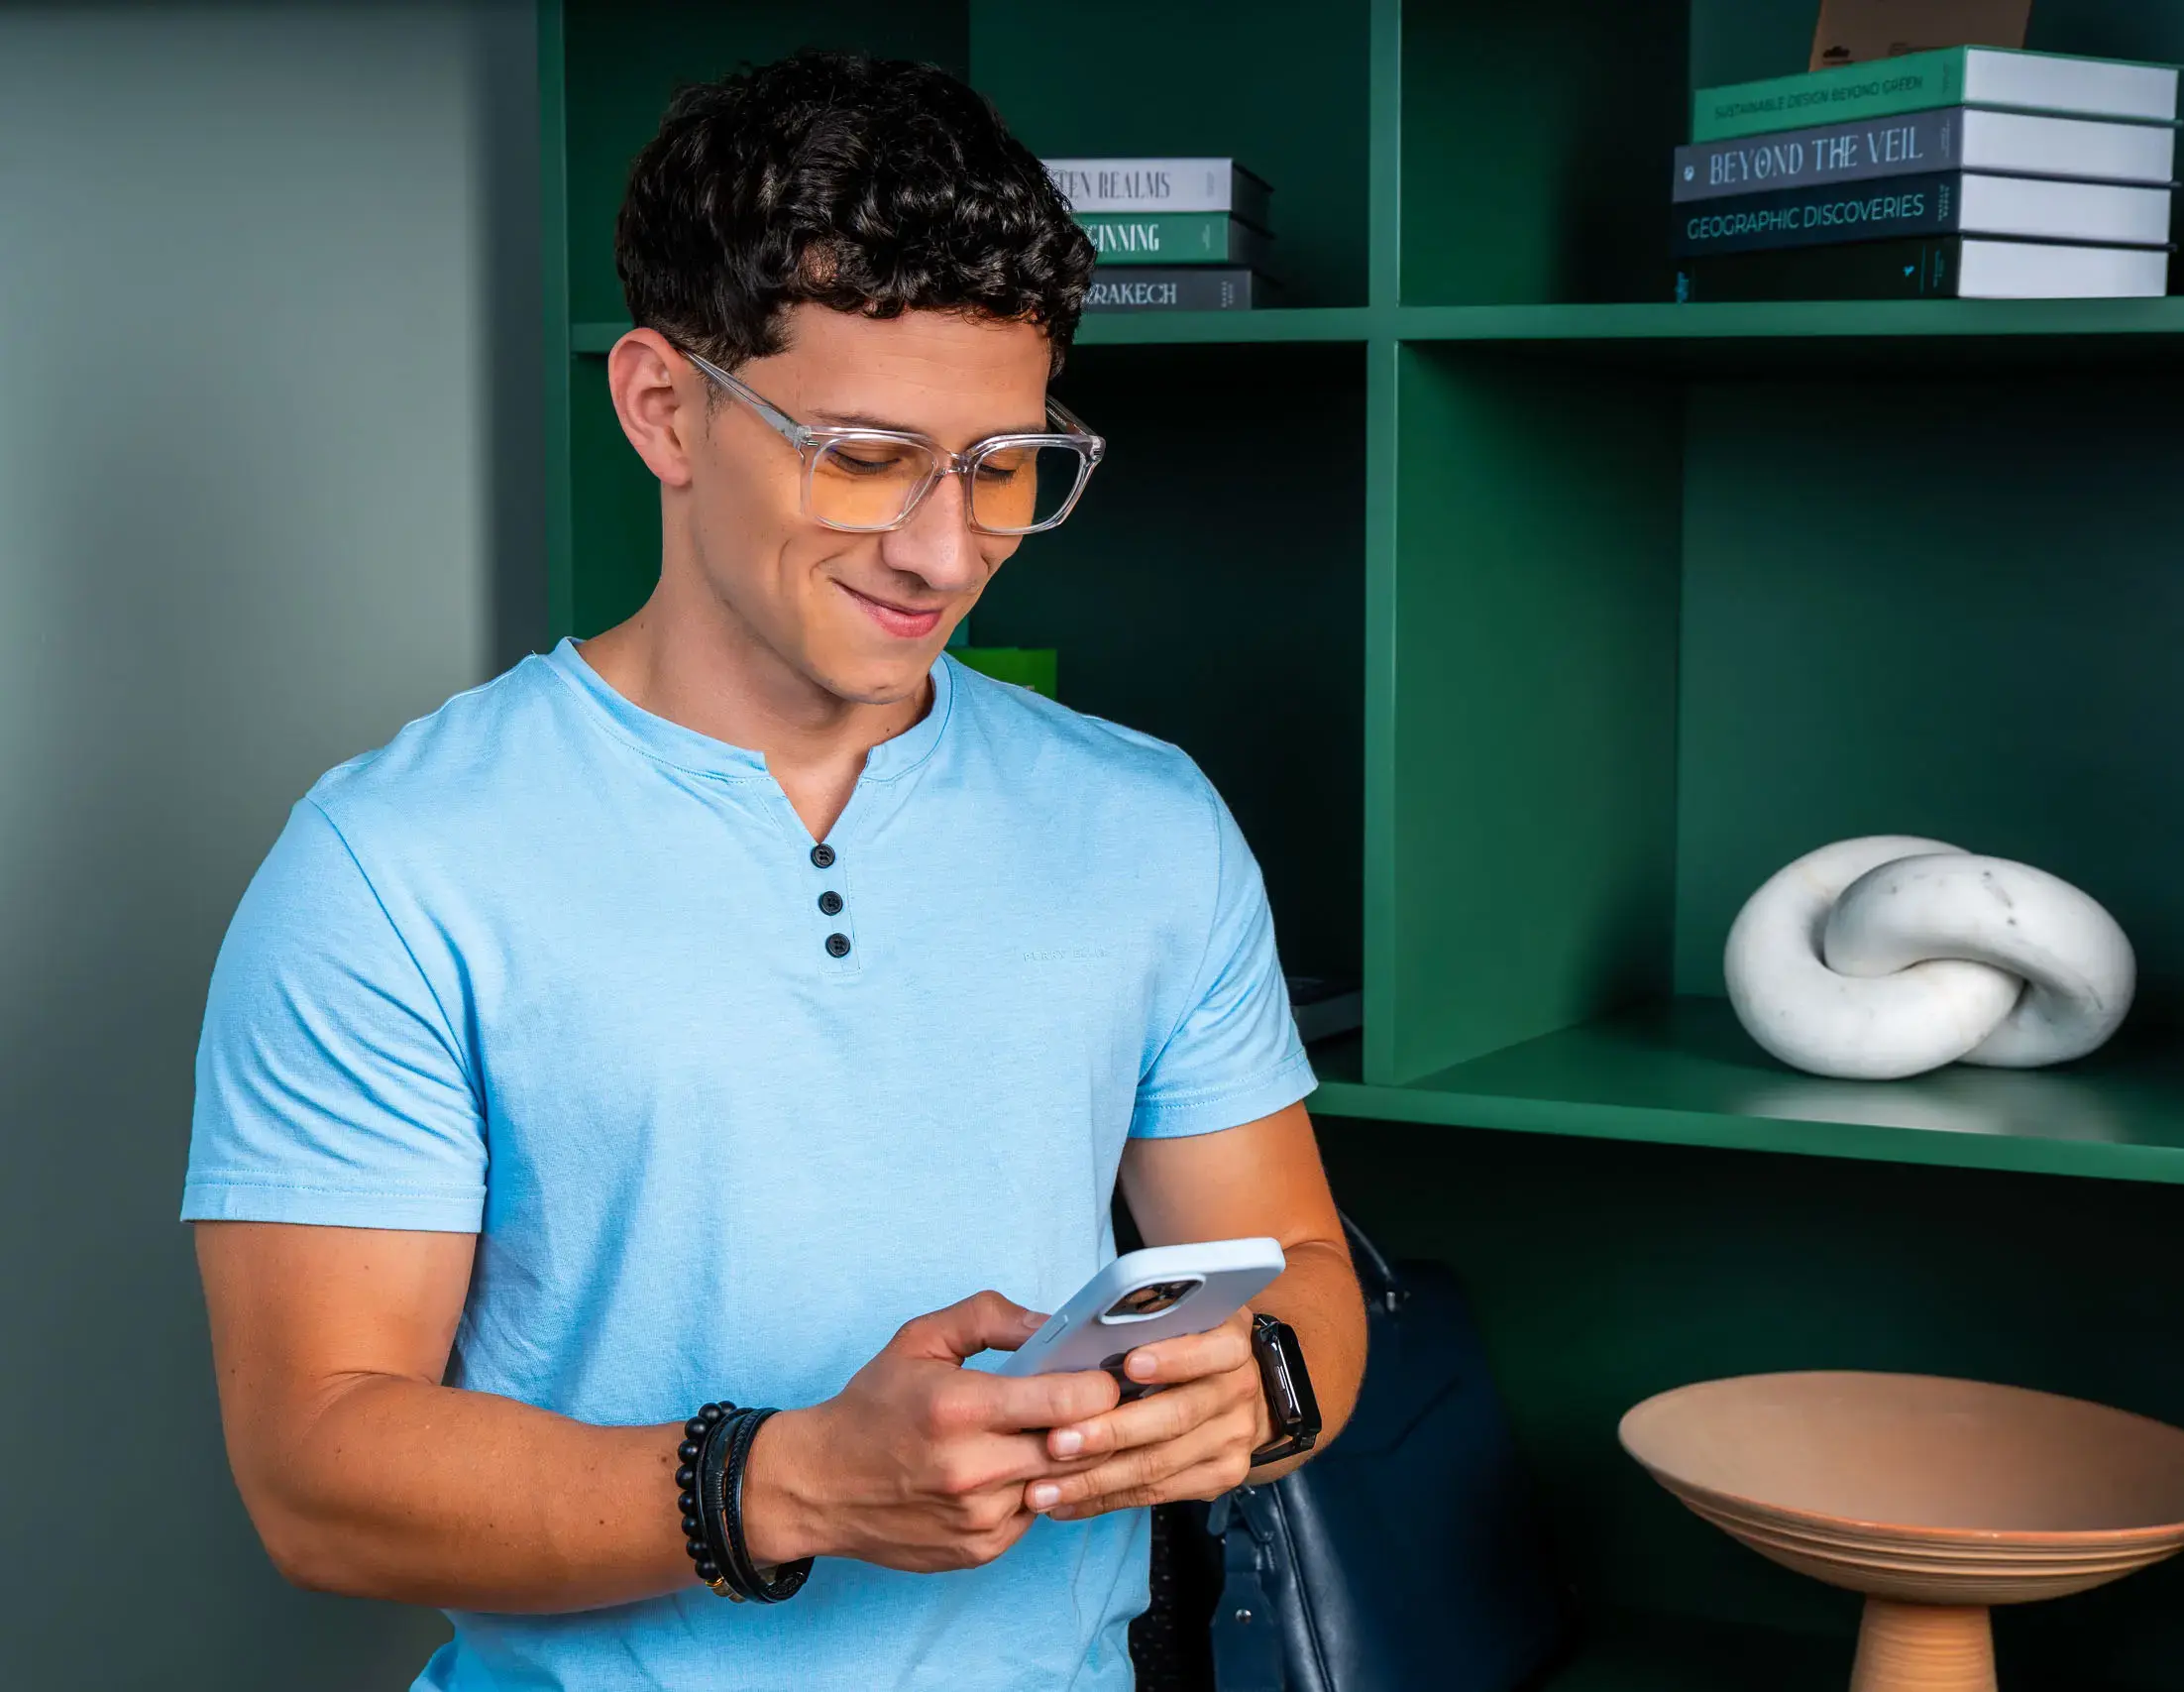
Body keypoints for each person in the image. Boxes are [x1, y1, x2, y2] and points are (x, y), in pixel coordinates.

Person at [182, 48, 1365, 1692]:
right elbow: (315, 1472)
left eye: (1006, 464)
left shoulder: (1149, 822)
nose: (947, 549)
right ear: (664, 405)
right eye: (866, 454)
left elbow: (1301, 1276)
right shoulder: (393, 864)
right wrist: (788, 1480)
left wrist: (1262, 1388)